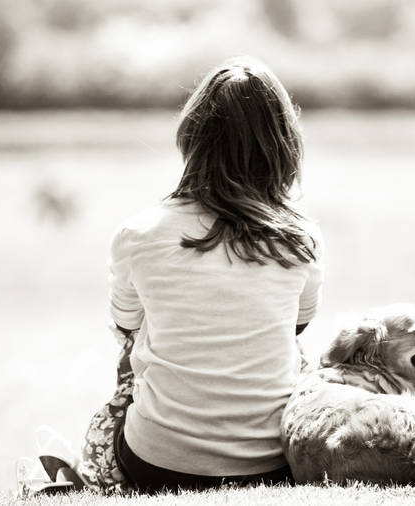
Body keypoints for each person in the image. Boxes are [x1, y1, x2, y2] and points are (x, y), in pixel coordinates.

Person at [47, 56, 323, 494]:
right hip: (271, 464)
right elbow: (296, 326)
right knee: (297, 353)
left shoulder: (139, 233)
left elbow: (126, 328)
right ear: (284, 143)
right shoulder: (300, 237)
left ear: (191, 135)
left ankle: (88, 472)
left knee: (137, 352)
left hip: (156, 464)